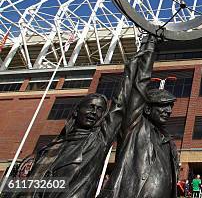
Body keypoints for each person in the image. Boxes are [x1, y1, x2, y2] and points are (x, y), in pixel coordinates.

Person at [15, 36, 146, 198]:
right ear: (77, 111)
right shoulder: (49, 149)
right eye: (90, 107)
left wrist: (131, 68)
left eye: (99, 110)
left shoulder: (99, 140)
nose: (94, 112)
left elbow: (119, 105)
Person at [100, 36, 180, 198]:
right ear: (147, 109)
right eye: (162, 105)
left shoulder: (167, 141)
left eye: (170, 106)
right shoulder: (135, 126)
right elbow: (139, 87)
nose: (168, 110)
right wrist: (149, 49)